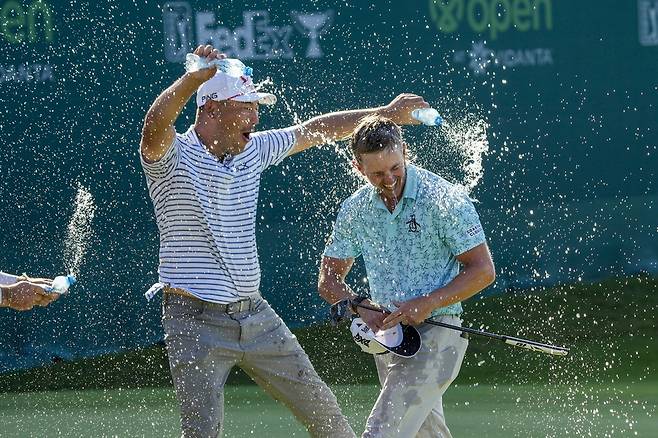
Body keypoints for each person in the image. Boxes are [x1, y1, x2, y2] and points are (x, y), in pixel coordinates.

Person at [139, 44, 427, 437]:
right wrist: (192, 80)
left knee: (327, 417)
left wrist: (387, 114)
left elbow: (315, 130)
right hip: (193, 319)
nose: (255, 117)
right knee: (202, 432)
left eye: (255, 107)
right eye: (245, 107)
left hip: (255, 314)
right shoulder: (171, 154)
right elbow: (153, 127)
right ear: (211, 110)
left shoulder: (254, 149)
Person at [318, 115, 496, 437]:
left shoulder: (443, 198)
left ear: (406, 152)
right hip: (390, 340)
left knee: (382, 430)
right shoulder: (355, 209)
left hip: (440, 336)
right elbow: (328, 280)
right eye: (376, 173)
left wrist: (429, 302)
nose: (388, 179)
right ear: (359, 168)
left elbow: (483, 270)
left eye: (395, 168)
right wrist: (360, 304)